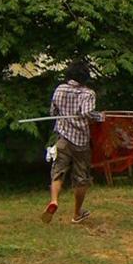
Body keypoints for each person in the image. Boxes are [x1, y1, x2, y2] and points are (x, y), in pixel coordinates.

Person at [41, 60, 102, 224]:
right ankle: (77, 213)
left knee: (57, 172)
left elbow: (53, 111)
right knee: (81, 177)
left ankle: (54, 200)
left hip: (62, 138)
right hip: (80, 141)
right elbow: (87, 113)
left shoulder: (60, 89)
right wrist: (100, 116)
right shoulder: (88, 93)